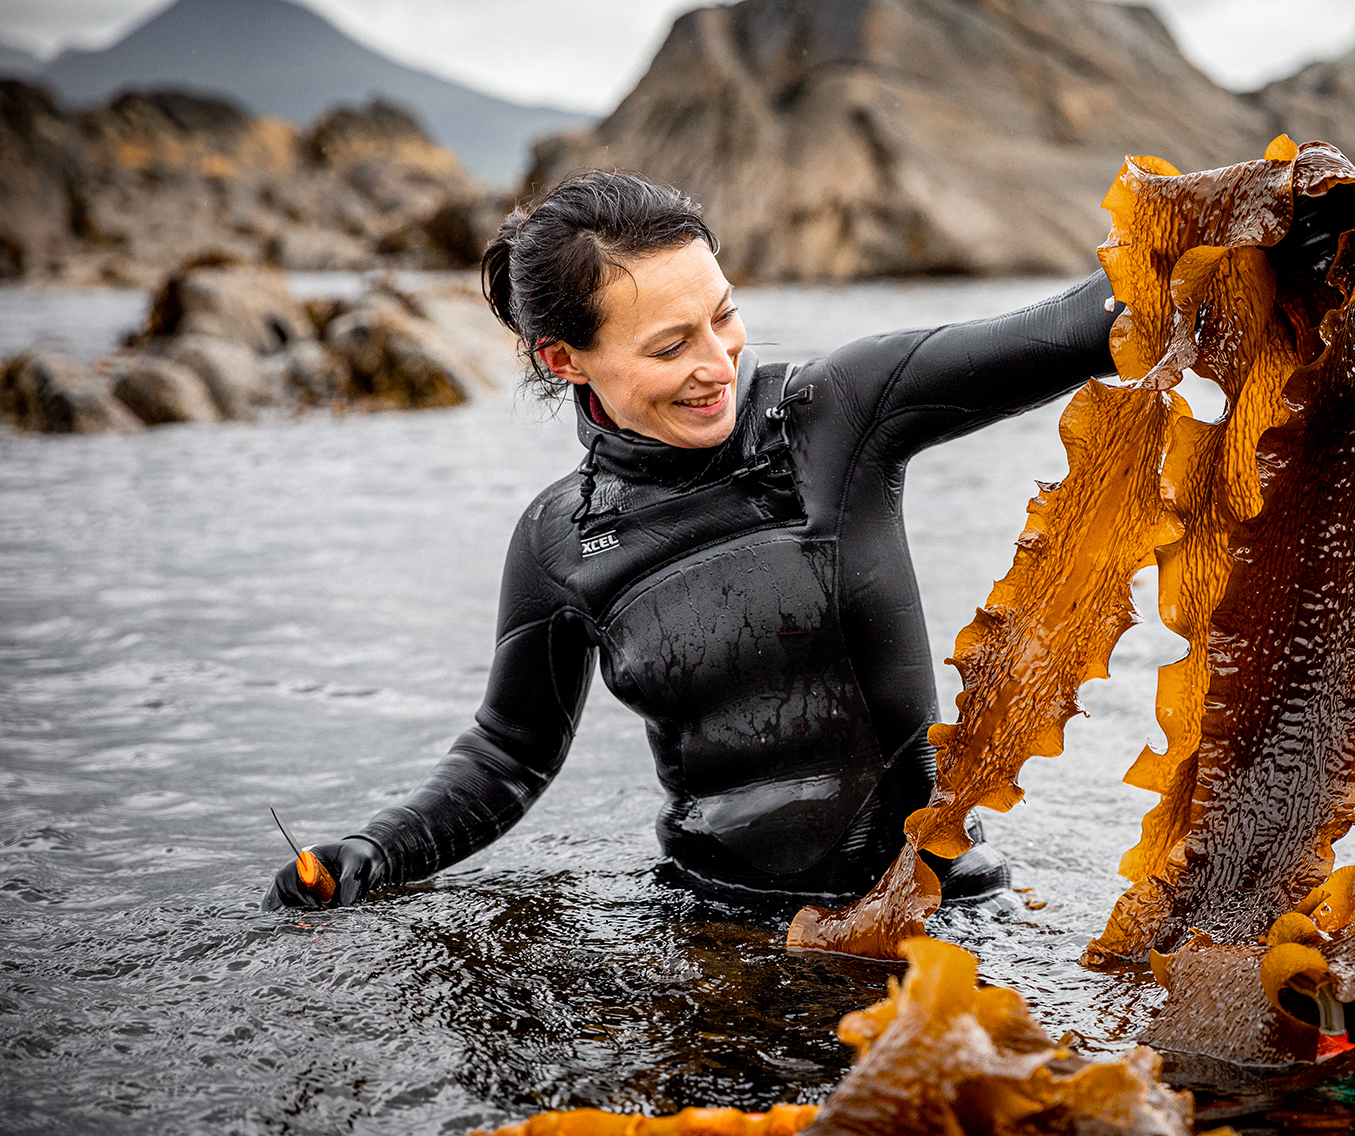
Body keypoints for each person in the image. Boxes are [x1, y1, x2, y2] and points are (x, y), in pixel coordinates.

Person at [264, 170, 1122, 912]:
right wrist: (376, 853)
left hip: (932, 907)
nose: (718, 362)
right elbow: (507, 756)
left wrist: (1236, 222)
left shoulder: (836, 415)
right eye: (672, 345)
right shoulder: (559, 542)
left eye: (724, 317)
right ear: (565, 360)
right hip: (708, 920)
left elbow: (1076, 328)